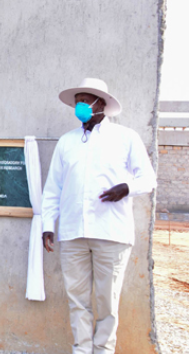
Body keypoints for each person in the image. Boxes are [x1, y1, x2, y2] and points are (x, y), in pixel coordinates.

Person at [42, 78, 157, 354]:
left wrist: (126, 188)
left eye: (85, 99)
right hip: (72, 234)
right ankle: (81, 350)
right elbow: (53, 188)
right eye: (77, 100)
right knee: (77, 301)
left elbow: (149, 178)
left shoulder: (125, 137)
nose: (79, 105)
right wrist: (49, 225)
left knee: (107, 302)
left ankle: (103, 350)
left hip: (111, 233)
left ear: (101, 104)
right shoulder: (67, 142)